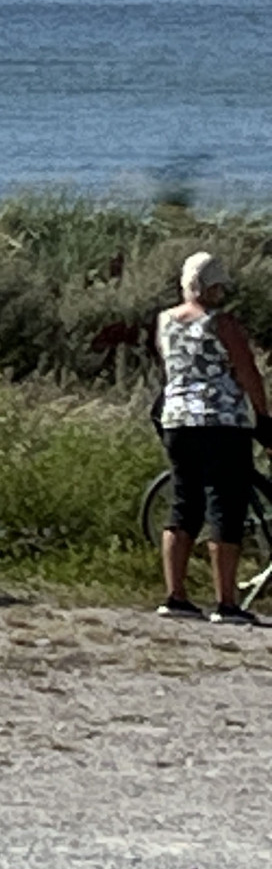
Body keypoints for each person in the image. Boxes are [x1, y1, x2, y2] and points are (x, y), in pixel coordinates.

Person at [156, 250, 270, 623]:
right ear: (213, 286)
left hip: (177, 420)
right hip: (221, 423)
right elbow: (247, 370)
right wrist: (263, 416)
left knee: (184, 504)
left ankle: (175, 596)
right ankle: (226, 602)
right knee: (225, 506)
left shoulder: (165, 321)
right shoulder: (222, 323)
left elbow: (171, 366)